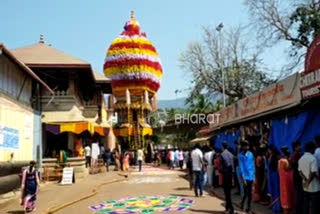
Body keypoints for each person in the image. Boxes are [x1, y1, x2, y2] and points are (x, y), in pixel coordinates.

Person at [298, 142, 320, 214]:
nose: (314, 150)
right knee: (314, 207)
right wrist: (309, 181)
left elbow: (300, 171)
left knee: (306, 205)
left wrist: (305, 179)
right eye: (314, 148)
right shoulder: (313, 159)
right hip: (314, 187)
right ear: (311, 149)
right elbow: (313, 172)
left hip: (305, 187)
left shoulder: (301, 158)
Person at [239, 140, 255, 213]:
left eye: (247, 146)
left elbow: (253, 165)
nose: (246, 147)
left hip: (251, 175)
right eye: (245, 146)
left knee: (250, 193)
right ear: (242, 147)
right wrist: (243, 178)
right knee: (246, 192)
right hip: (245, 176)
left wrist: (254, 176)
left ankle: (248, 207)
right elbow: (241, 167)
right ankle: (242, 203)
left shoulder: (251, 154)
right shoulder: (240, 155)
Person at [279, 146, 295, 214]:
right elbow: (289, 169)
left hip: (282, 182)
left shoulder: (280, 161)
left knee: (284, 197)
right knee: (289, 197)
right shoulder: (287, 161)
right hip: (288, 182)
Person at [220, 142, 235, 214]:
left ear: (222, 147)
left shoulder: (222, 154)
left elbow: (222, 166)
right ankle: (227, 208)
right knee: (228, 193)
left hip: (225, 175)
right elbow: (232, 166)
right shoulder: (231, 154)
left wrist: (220, 171)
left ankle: (231, 209)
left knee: (227, 194)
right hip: (230, 175)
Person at [267, 146, 281, 213]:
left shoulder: (273, 157)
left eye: (269, 150)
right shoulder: (276, 156)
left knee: (275, 191)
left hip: (273, 176)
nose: (268, 151)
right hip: (274, 175)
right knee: (276, 191)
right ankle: (275, 206)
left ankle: (276, 207)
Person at [290, 141, 303, 214]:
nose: (300, 147)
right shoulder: (295, 156)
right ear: (295, 148)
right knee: (300, 195)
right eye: (299, 146)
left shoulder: (296, 155)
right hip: (298, 177)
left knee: (299, 194)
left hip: (297, 176)